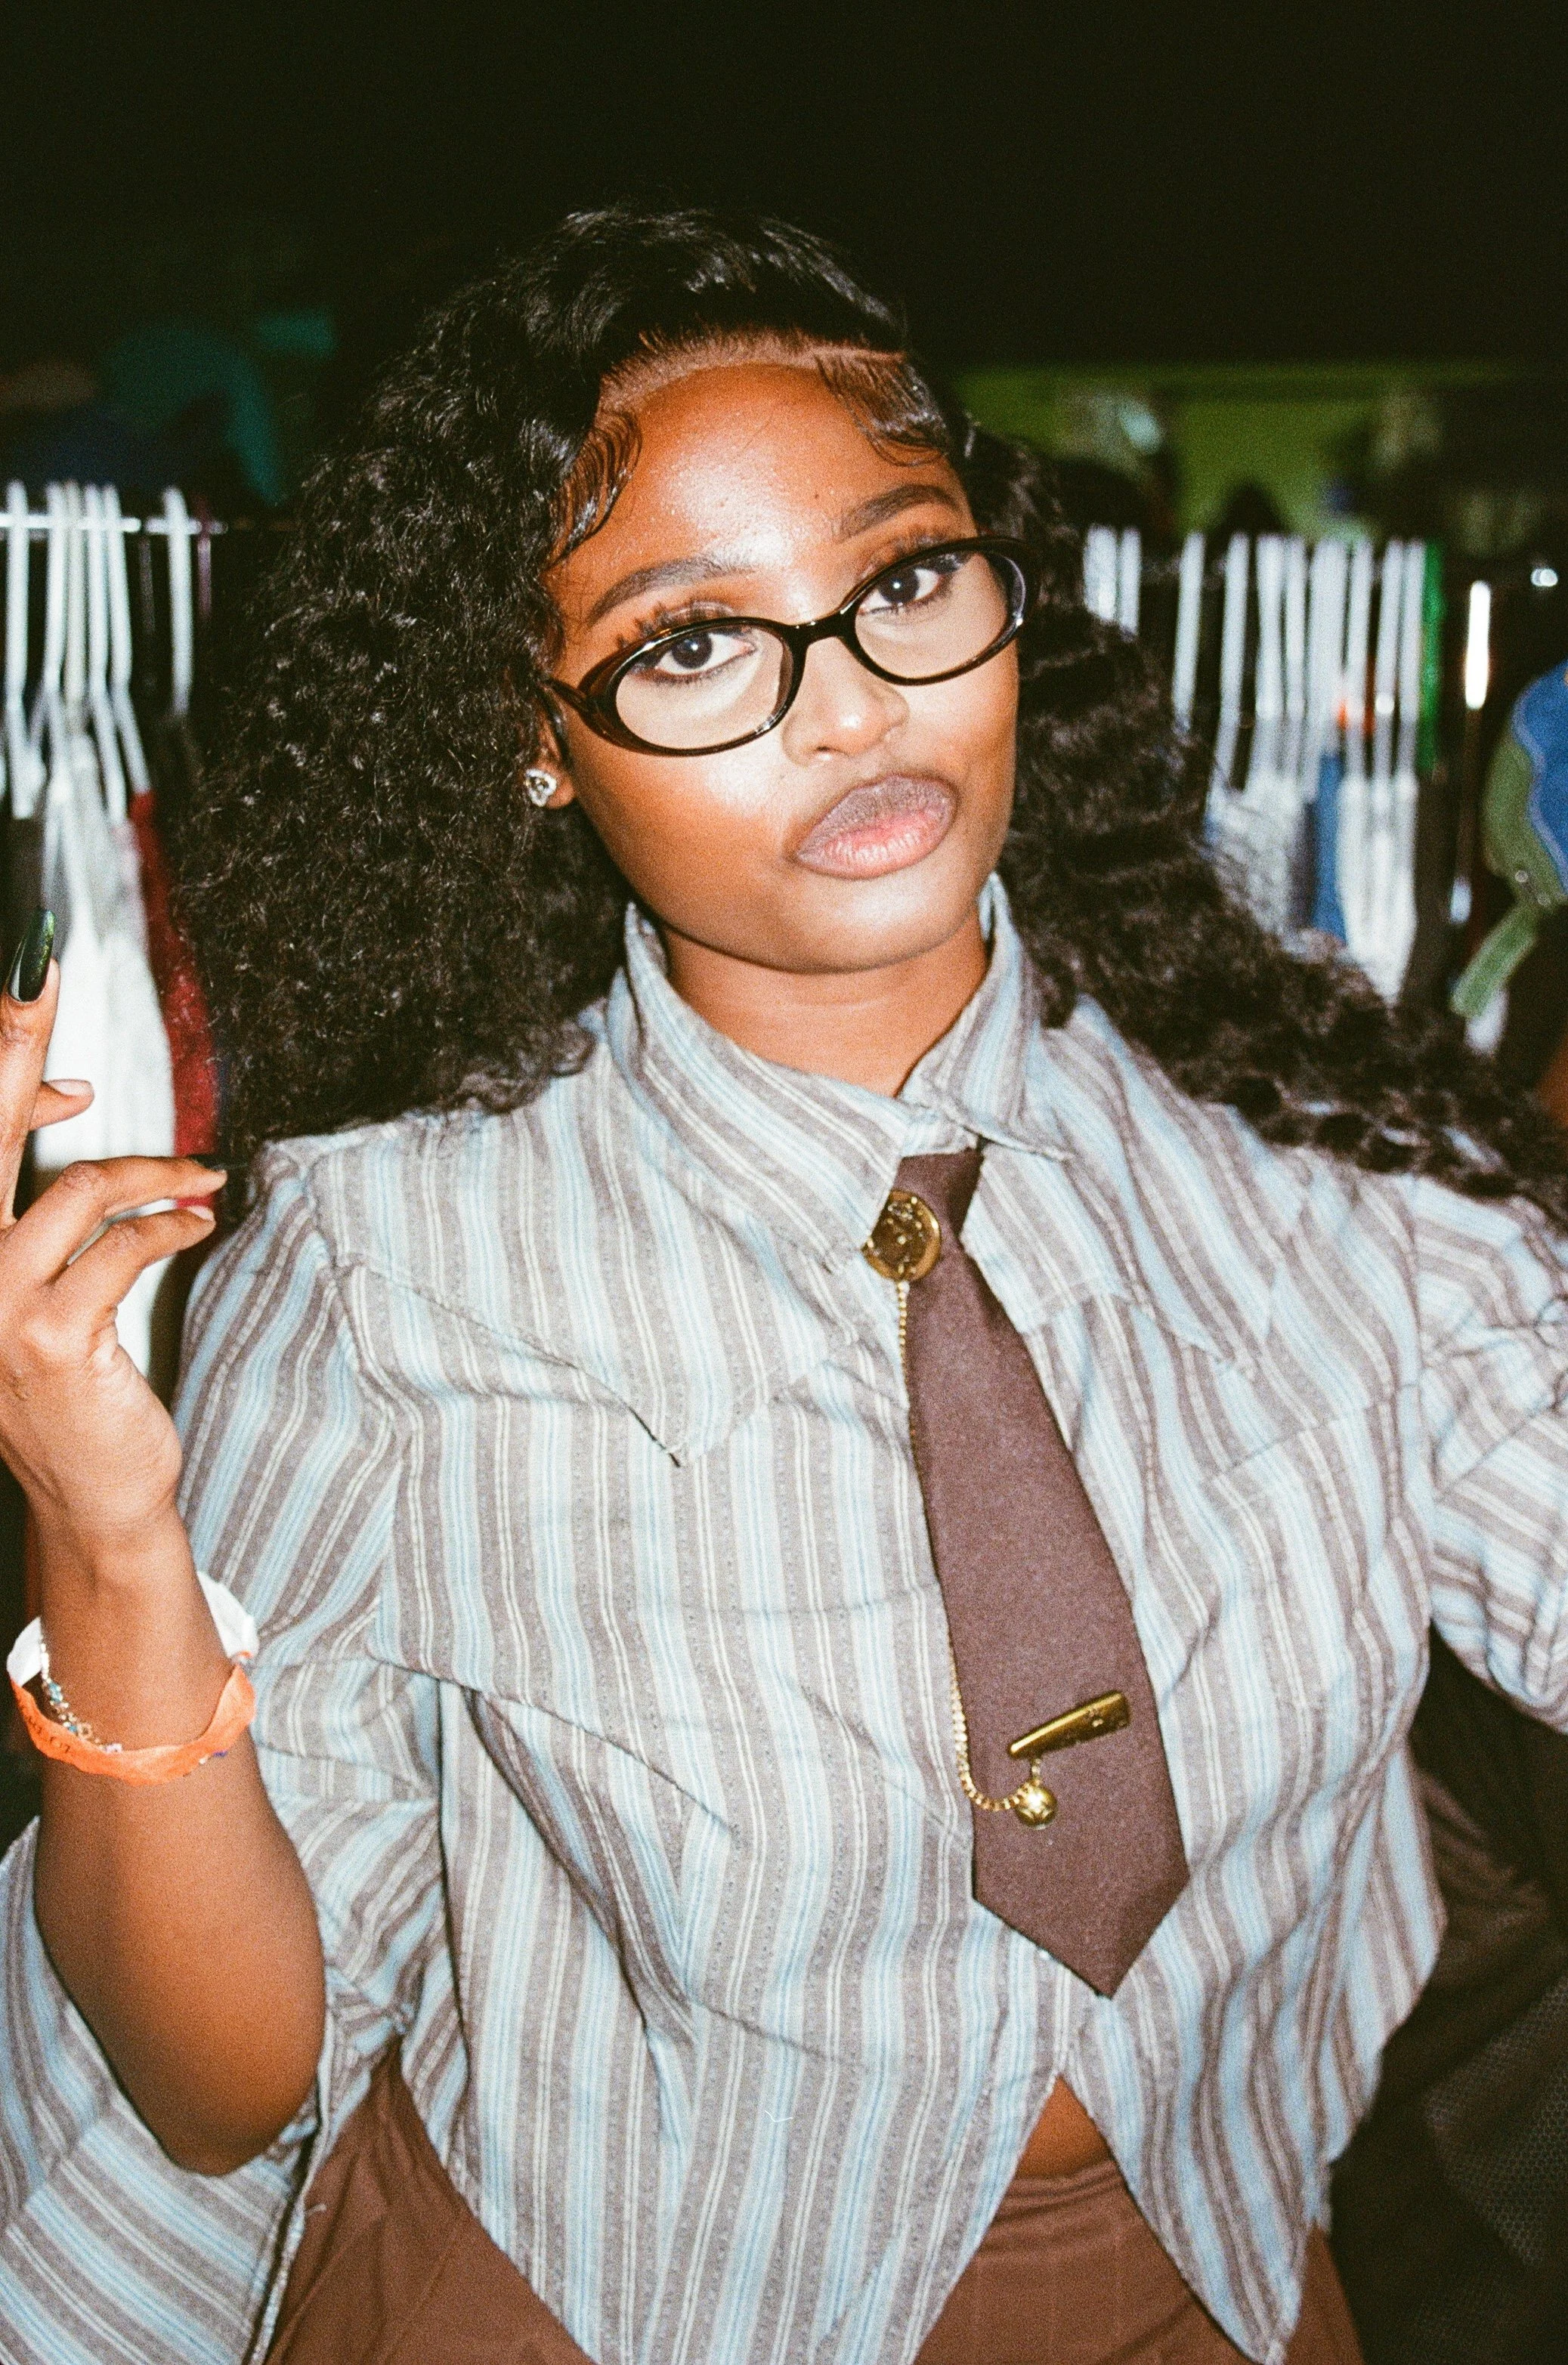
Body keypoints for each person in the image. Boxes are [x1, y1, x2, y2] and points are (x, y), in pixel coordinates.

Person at [1, 209, 1565, 2365]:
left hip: (1197, 2291)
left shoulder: (1311, 1151)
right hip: (591, 2305)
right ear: (536, 733)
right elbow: (220, 2079)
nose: (846, 710)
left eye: (903, 580)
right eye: (693, 645)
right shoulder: (400, 1257)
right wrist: (103, 1526)